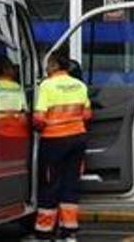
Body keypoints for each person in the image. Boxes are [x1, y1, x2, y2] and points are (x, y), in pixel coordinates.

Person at [32, 50, 92, 241]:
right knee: (70, 184)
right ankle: (70, 232)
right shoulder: (80, 85)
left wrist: (32, 124)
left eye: (48, 64)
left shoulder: (47, 86)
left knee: (50, 184)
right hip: (77, 139)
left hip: (54, 141)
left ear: (56, 65)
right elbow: (87, 115)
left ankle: (44, 232)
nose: (46, 68)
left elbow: (40, 118)